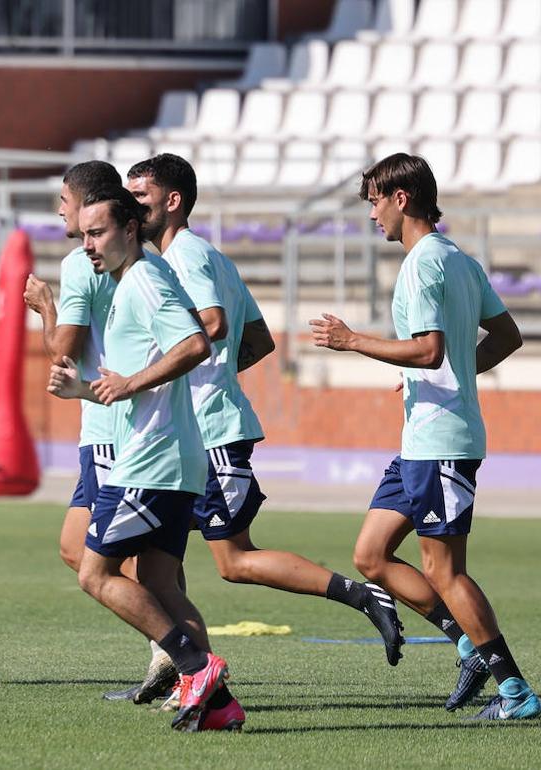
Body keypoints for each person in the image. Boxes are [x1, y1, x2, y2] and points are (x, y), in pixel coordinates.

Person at [124, 154, 404, 681]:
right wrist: (219, 371)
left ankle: (362, 595)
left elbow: (213, 321)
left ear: (173, 201)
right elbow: (257, 339)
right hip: (196, 431)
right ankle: (180, 668)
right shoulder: (213, 257)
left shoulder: (184, 257)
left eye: (141, 196)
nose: (132, 206)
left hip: (209, 434)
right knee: (153, 562)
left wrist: (173, 369)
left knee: (231, 560)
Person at [311, 153, 537, 720]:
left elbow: (429, 349)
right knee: (370, 553)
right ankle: (467, 646)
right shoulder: (458, 259)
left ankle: (515, 692)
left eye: (373, 202)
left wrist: (352, 340)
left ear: (401, 198)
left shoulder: (422, 266)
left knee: (444, 569)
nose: (371, 215)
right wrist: (444, 375)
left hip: (441, 444)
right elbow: (505, 335)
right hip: (424, 439)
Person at [48, 186, 241, 732]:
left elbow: (195, 345)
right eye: (83, 234)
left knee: (95, 573)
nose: (88, 244)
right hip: (171, 458)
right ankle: (220, 706)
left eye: (98, 232)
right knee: (159, 581)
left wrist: (129, 382)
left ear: (130, 230)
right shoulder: (131, 280)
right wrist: (85, 391)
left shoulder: (146, 280)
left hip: (151, 462)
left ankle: (194, 667)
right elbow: (140, 381)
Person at [23, 161, 177, 699]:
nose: (60, 210)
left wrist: (44, 309)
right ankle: (174, 650)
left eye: (64, 199)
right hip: (106, 420)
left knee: (116, 560)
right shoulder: (131, 261)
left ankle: (175, 653)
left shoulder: (80, 264)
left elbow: (62, 354)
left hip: (117, 424)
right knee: (78, 548)